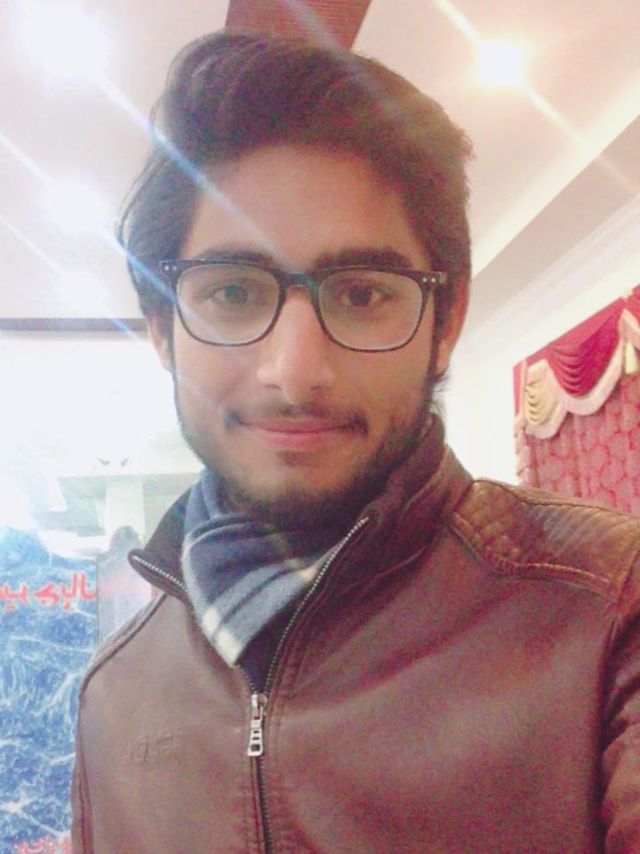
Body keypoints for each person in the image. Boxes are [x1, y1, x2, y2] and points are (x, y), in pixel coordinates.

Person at [71, 30, 640, 853]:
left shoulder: (609, 607)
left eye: (363, 293)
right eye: (232, 293)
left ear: (446, 321)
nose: (295, 372)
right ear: (161, 328)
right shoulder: (115, 690)